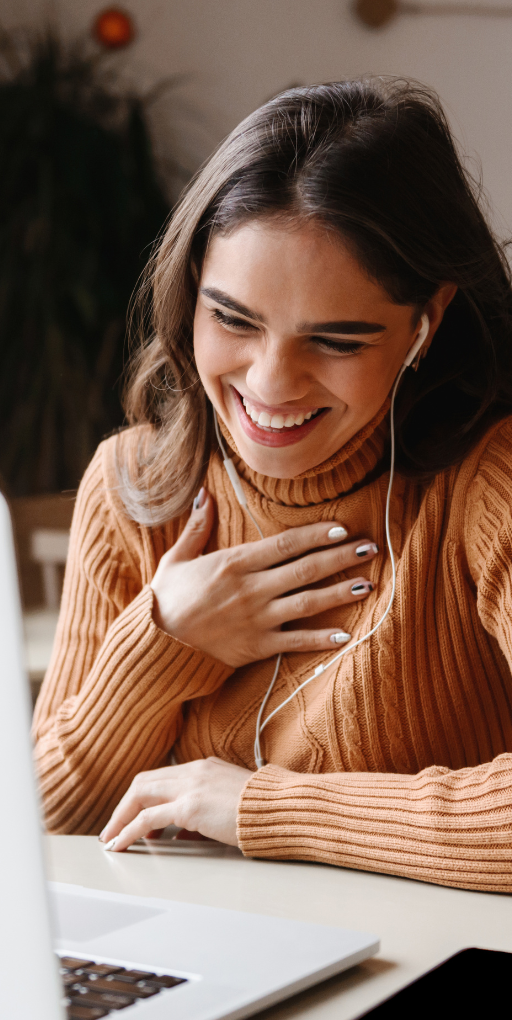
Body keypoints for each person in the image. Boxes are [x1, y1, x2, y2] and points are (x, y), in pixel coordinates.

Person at [34, 79, 512, 892]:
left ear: (424, 323)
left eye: (334, 340)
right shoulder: (132, 484)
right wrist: (166, 641)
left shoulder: (486, 481)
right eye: (233, 318)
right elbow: (45, 809)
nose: (270, 383)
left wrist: (262, 807)